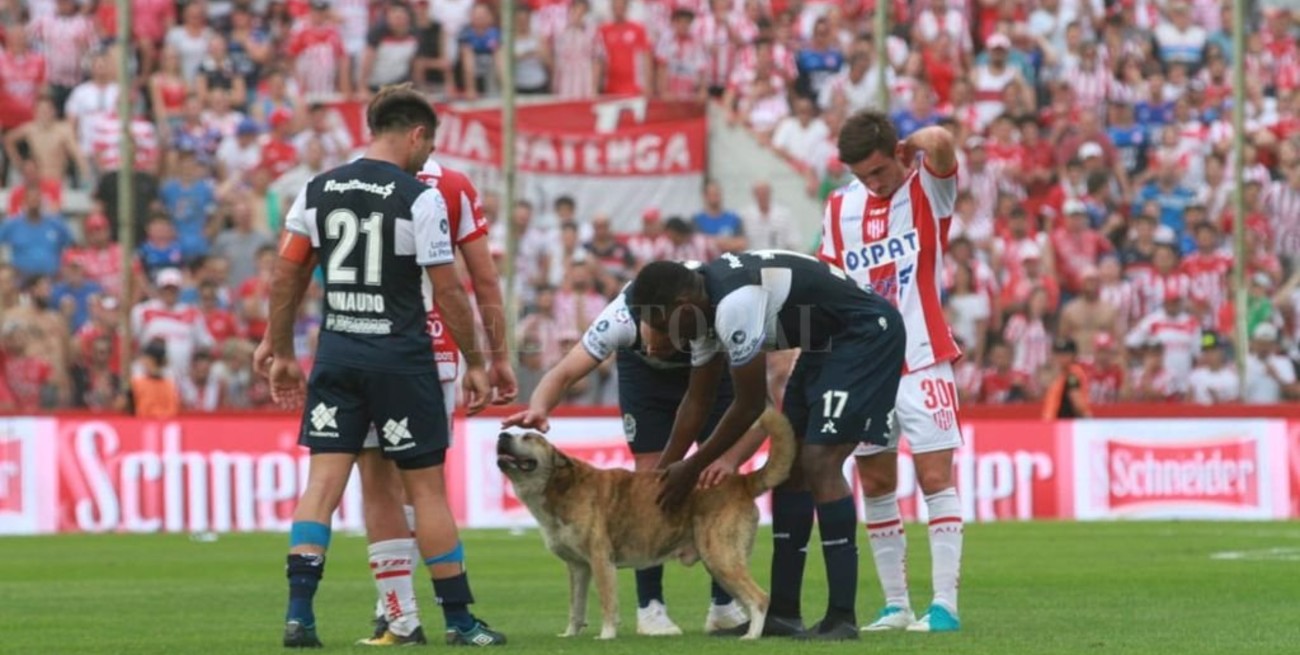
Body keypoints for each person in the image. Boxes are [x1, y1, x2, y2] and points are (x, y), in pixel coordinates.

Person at [263, 85, 502, 648]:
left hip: (338, 353)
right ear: (416, 135)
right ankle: (461, 622)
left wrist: (280, 351)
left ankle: (300, 617)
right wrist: (476, 361)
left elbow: (286, 275)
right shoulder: (417, 196)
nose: (428, 156)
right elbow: (448, 291)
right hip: (400, 359)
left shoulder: (317, 190)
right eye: (429, 144)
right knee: (427, 493)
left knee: (321, 487)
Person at [631, 250, 906, 641]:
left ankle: (842, 617)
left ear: (681, 305)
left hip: (865, 334)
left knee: (819, 461)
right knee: (790, 466)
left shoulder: (733, 305)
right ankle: (783, 613)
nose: (664, 338)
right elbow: (696, 402)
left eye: (662, 324)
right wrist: (662, 475)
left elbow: (748, 405)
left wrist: (690, 469)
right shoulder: (701, 312)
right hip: (824, 342)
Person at [501, 265, 763, 636]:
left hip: (707, 371)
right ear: (641, 318)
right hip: (647, 381)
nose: (659, 346)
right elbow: (563, 373)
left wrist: (726, 457)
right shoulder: (618, 320)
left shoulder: (711, 312)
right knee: (649, 476)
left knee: (716, 478)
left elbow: (760, 410)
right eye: (653, 336)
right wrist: (540, 406)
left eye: (667, 338)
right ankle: (650, 607)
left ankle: (723, 604)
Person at [351, 152, 518, 646]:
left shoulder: (346, 181)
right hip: (435, 350)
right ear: (422, 133)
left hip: (363, 345)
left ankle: (394, 611)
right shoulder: (453, 184)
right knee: (423, 486)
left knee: (380, 484)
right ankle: (440, 617)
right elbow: (483, 279)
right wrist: (494, 357)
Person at [817, 110, 964, 633]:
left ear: (898, 155)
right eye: (861, 175)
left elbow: (943, 142)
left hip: (923, 357)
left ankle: (944, 605)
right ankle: (896, 604)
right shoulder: (839, 208)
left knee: (933, 477)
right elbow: (831, 285)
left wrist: (913, 144)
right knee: (876, 480)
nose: (872, 184)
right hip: (864, 369)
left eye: (878, 171)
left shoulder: (926, 192)